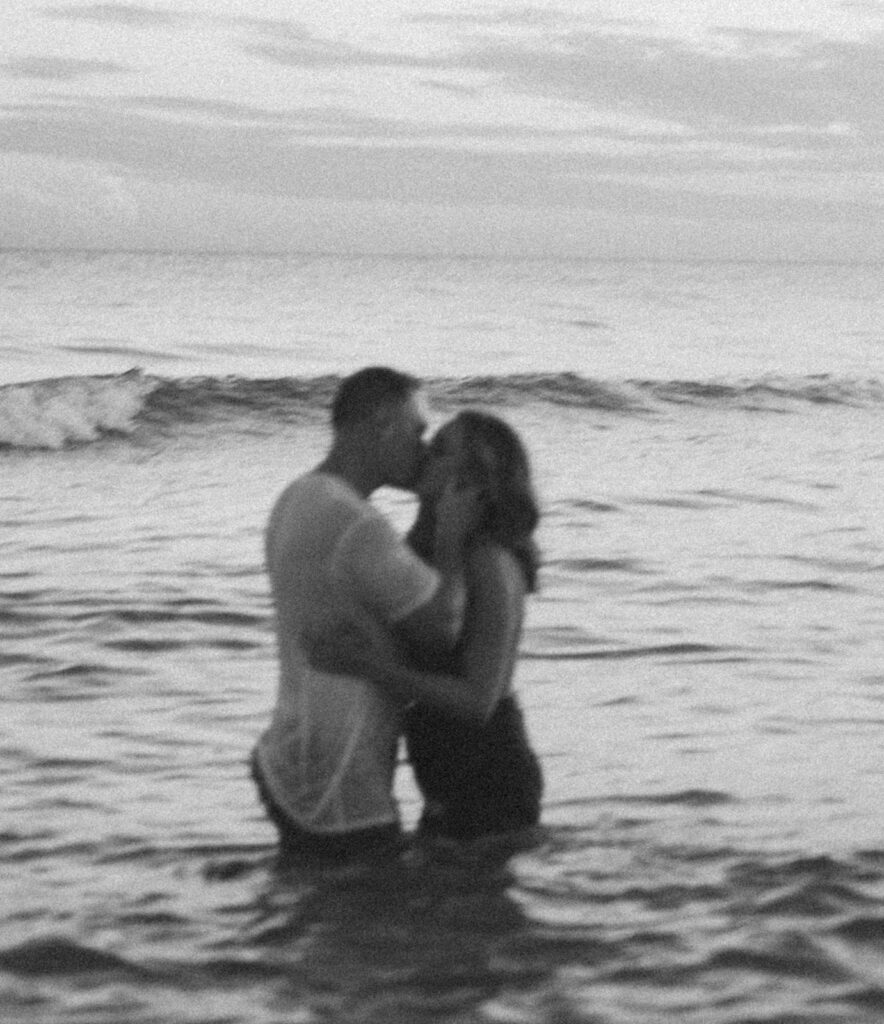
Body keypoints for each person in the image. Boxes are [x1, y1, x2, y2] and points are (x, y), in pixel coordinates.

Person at [251, 367, 489, 862]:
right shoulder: (355, 522)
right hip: (339, 782)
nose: (423, 450)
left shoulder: (298, 496)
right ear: (382, 423)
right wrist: (450, 537)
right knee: (369, 910)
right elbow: (442, 629)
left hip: (290, 756)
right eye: (417, 432)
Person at [319, 410, 544, 847]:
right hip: (443, 778)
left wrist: (366, 667)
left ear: (472, 480)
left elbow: (478, 700)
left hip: (489, 780)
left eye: (439, 449)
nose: (424, 454)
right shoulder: (427, 550)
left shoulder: (490, 562)